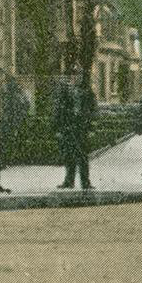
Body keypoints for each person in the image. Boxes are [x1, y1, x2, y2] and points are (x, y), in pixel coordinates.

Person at [52, 63, 96, 192]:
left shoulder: (87, 91)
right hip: (68, 127)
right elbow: (58, 111)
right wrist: (58, 128)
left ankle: (85, 182)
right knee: (69, 155)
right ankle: (68, 181)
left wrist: (91, 128)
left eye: (80, 75)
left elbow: (93, 110)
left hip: (82, 128)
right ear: (71, 76)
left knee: (83, 156)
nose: (78, 77)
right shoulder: (64, 91)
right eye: (75, 75)